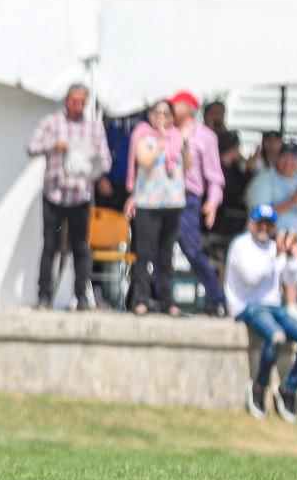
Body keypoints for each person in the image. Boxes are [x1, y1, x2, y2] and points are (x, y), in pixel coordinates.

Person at [26, 83, 110, 310]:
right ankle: (44, 296)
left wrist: (92, 165)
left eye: (82, 102)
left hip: (80, 195)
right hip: (54, 193)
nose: (78, 106)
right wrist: (53, 146)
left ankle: (81, 297)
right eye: (75, 101)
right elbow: (31, 147)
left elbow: (105, 160)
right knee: (50, 246)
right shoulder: (52, 123)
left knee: (81, 248)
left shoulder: (94, 128)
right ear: (66, 100)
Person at [225, 204, 297, 420]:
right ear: (251, 223)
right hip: (247, 305)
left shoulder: (273, 248)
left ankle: (287, 390)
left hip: (273, 306)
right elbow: (251, 279)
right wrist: (276, 254)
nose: (264, 228)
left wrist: (289, 255)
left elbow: (291, 279)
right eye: (261, 223)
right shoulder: (240, 246)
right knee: (277, 337)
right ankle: (259, 387)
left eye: (269, 224)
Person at [125, 101, 188, 316]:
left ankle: (167, 300)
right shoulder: (142, 135)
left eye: (166, 113)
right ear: (150, 115)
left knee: (166, 255)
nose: (161, 117)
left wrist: (182, 142)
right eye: (157, 112)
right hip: (148, 202)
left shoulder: (177, 136)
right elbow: (145, 161)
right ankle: (141, 299)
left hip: (173, 201)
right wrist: (161, 140)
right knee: (144, 254)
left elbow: (186, 165)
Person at [170, 90, 226, 315]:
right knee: (157, 250)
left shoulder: (206, 137)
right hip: (163, 195)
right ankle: (155, 298)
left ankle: (216, 298)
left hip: (188, 198)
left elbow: (215, 176)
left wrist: (212, 203)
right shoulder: (167, 131)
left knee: (191, 249)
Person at [245, 138, 297, 309]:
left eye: (294, 158)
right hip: (275, 236)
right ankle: (291, 305)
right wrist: (289, 203)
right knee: (294, 251)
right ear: (277, 158)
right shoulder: (264, 180)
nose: (289, 161)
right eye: (285, 157)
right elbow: (260, 217)